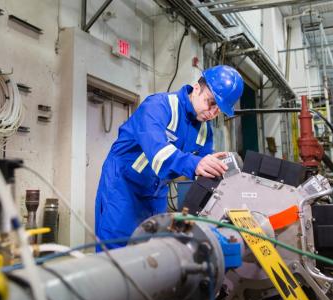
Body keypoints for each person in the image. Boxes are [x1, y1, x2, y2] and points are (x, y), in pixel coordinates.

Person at [95, 65, 244, 248]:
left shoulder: (205, 130)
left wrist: (215, 165)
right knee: (115, 251)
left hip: (156, 193)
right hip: (123, 188)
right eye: (211, 102)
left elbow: (201, 169)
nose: (212, 113)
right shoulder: (158, 106)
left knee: (152, 252)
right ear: (197, 88)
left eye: (219, 110)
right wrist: (196, 164)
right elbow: (159, 154)